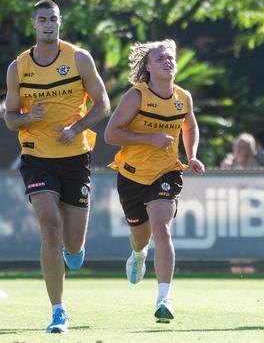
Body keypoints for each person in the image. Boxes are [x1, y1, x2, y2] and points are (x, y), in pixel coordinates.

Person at [3, 0, 110, 334]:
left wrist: (76, 129)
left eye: (53, 19)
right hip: (36, 157)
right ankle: (58, 311)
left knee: (73, 245)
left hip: (75, 156)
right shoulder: (18, 67)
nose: (48, 24)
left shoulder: (78, 58)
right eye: (42, 20)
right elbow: (9, 119)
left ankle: (73, 249)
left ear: (59, 23)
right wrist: (25, 118)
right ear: (34, 24)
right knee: (49, 226)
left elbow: (103, 104)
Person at [104, 39, 205, 323]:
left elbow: (191, 125)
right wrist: (150, 139)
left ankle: (164, 298)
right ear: (148, 66)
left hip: (167, 172)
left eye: (170, 57)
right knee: (141, 237)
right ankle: (137, 255)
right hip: (132, 175)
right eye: (160, 58)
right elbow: (111, 135)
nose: (168, 61)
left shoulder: (183, 97)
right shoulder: (136, 96)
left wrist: (192, 155)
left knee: (162, 228)